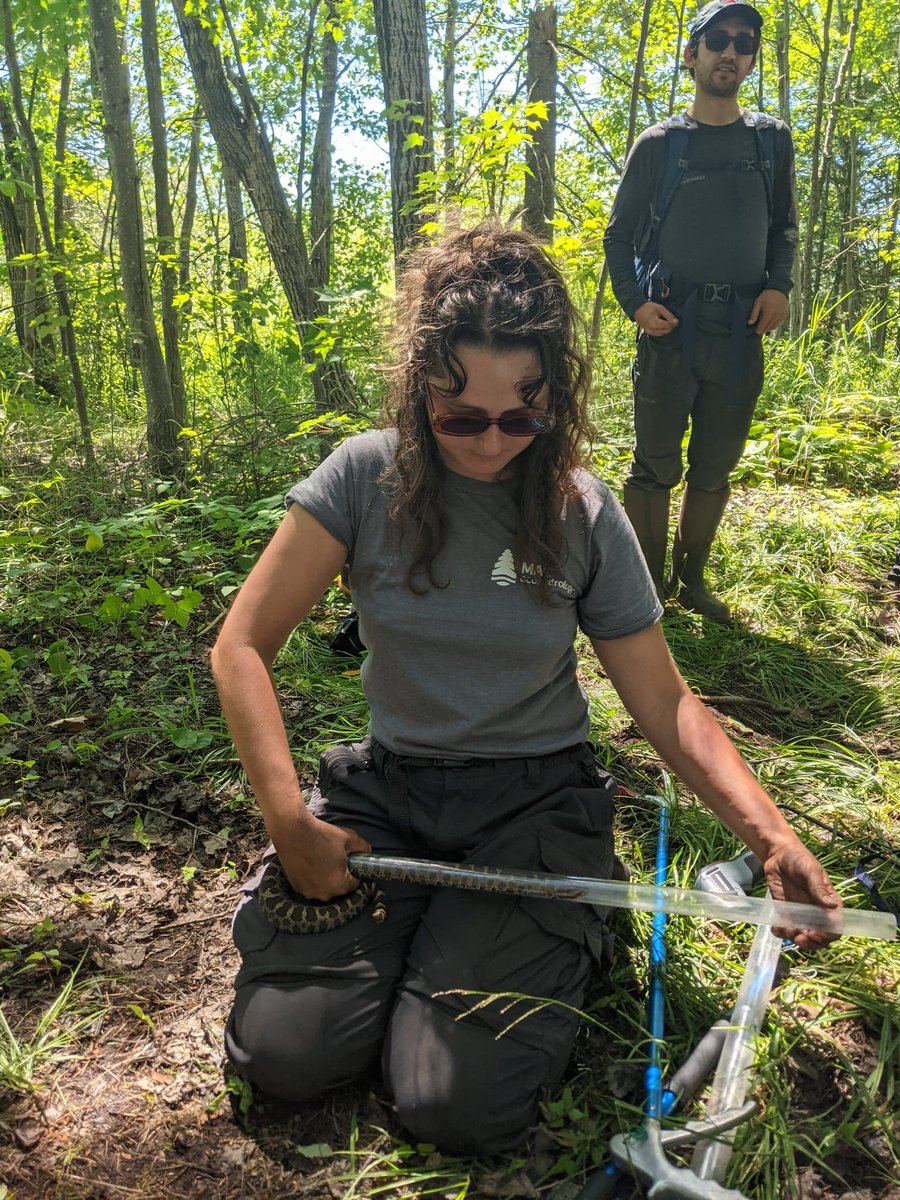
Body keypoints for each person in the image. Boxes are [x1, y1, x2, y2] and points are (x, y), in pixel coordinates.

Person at [211, 225, 840, 1156]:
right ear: (419, 385)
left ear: (558, 398)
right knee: (284, 1060)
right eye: (461, 416)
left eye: (524, 416)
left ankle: (539, 931)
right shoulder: (360, 476)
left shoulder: (581, 510)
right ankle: (426, 943)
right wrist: (286, 822)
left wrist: (770, 833)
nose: (493, 442)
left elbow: (663, 702)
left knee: (448, 1104)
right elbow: (242, 646)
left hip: (532, 806)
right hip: (389, 795)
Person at [603, 0, 797, 622]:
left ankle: (693, 582)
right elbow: (619, 237)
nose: (731, 52)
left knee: (716, 464)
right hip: (672, 329)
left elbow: (784, 229)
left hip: (742, 331)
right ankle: (647, 589)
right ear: (693, 54)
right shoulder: (659, 146)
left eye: (745, 43)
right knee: (655, 464)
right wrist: (635, 304)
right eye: (719, 39)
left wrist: (779, 286)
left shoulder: (772, 141)